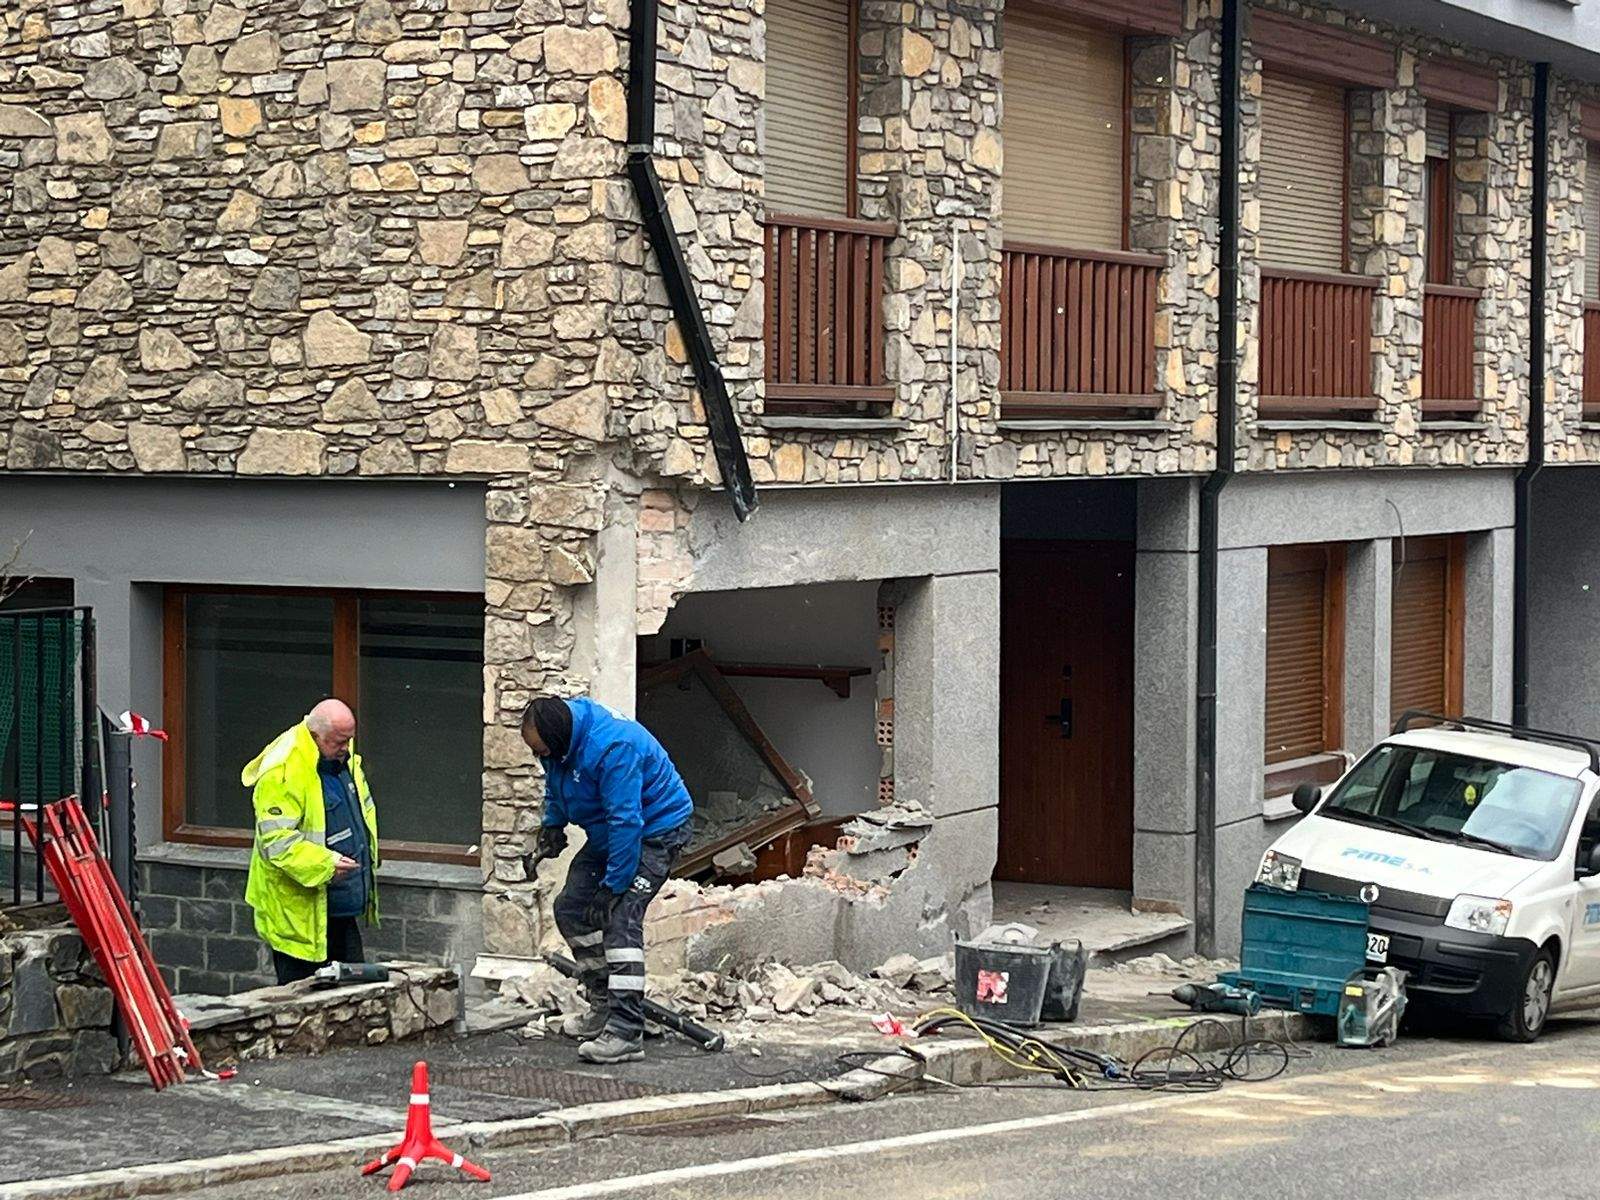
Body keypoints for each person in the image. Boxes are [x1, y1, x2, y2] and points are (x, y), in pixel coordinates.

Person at [522, 695, 694, 1064]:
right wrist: (552, 825)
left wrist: (614, 886)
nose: (542, 758)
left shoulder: (614, 746)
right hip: (611, 833)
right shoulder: (559, 745)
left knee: (620, 918)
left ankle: (626, 1030)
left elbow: (626, 820)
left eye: (544, 751)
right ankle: (603, 1003)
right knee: (569, 908)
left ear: (561, 738)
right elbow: (557, 782)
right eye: (537, 753)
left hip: (656, 831)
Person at [242, 697, 379, 985]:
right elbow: (277, 842)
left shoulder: (337, 755)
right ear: (315, 736)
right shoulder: (283, 769)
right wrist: (325, 863)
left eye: (348, 740)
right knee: (302, 1001)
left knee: (354, 992)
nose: (346, 748)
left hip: (337, 905)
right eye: (339, 742)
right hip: (299, 913)